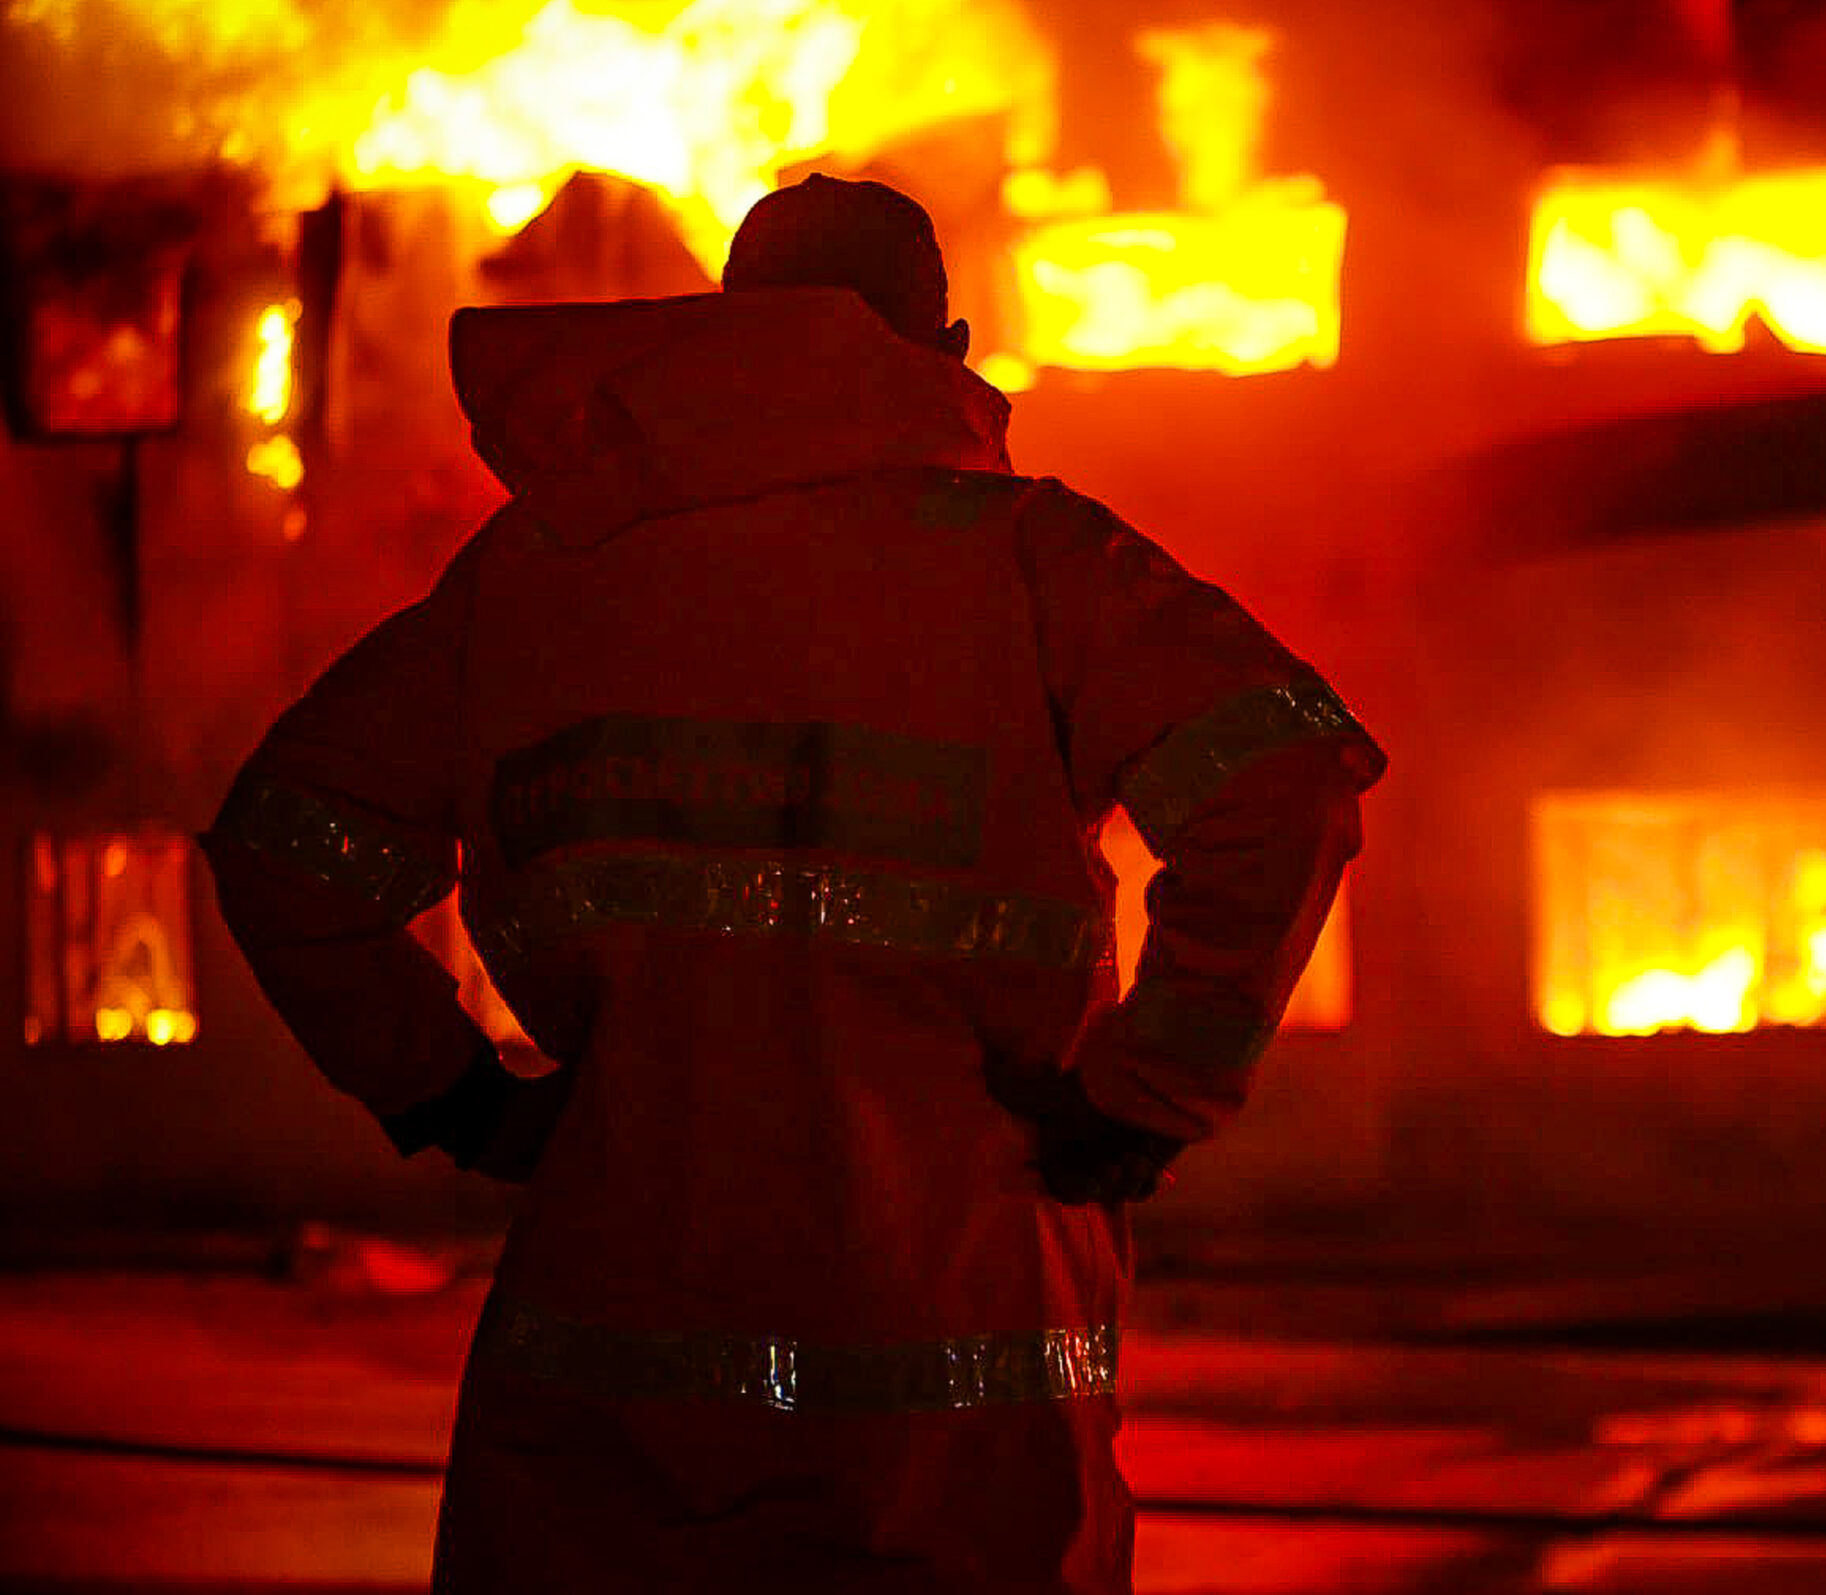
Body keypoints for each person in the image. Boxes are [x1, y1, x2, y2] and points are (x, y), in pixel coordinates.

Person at [200, 175, 1385, 1593]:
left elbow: (287, 842)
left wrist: (449, 1093)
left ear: (715, 327)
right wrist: (1150, 1095)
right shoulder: (1032, 562)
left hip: (613, 1338)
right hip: (958, 1320)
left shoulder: (537, 574)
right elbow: (1282, 777)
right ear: (944, 346)